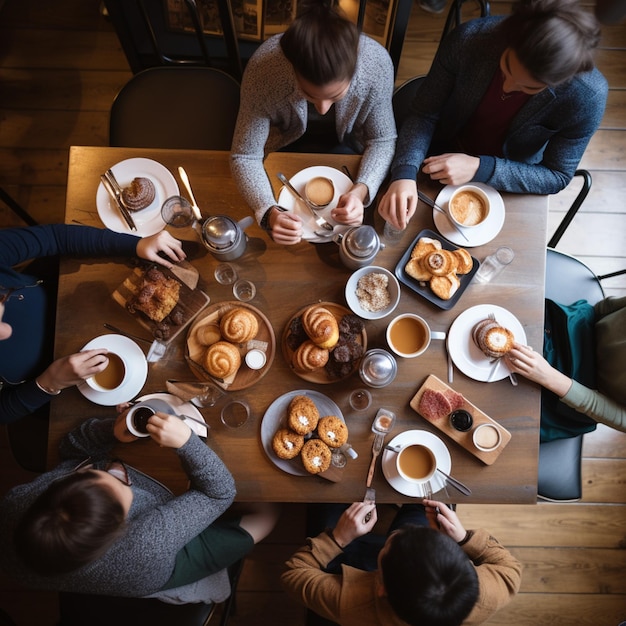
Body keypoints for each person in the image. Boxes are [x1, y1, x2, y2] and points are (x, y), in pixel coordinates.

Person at [0, 406, 280, 602]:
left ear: (57, 483)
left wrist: (111, 430)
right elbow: (219, 493)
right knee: (267, 514)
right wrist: (187, 443)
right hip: (151, 570)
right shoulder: (144, 542)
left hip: (50, 568)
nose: (118, 470)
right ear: (124, 524)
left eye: (93, 472)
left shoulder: (16, 503)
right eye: (123, 484)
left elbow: (71, 451)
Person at [379, 0, 608, 231]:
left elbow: (557, 175)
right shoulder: (470, 40)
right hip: (439, 145)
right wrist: (405, 172)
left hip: (510, 173)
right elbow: (424, 113)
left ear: (560, 82)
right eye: (506, 68)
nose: (508, 87)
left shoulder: (587, 97)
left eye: (528, 88)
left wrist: (482, 168)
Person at [230, 0, 396, 245]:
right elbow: (244, 155)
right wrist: (268, 211)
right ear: (292, 68)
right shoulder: (263, 71)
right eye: (309, 95)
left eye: (335, 96)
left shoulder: (377, 65)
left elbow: (382, 139)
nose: (322, 108)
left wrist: (361, 190)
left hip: (349, 148)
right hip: (282, 147)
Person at [0, 224, 185, 424]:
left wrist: (136, 244)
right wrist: (49, 383)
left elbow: (54, 237)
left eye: (2, 300)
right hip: (56, 385)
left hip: (73, 299)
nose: (7, 330)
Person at [282, 500, 522, 625]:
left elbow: (293, 575)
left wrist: (338, 538)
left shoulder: (351, 604)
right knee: (425, 500)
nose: (400, 532)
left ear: (381, 586)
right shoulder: (484, 597)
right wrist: (463, 538)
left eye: (390, 544)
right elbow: (510, 571)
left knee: (326, 505)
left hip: (350, 562)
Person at [505, 296, 626, 442]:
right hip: (576, 328)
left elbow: (615, 415)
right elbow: (605, 308)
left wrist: (546, 375)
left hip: (578, 394)